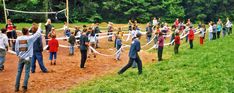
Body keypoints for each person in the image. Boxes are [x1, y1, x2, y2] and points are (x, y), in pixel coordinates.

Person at [14, 23, 42, 92]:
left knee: (19, 72)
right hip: (28, 58)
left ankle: (16, 87)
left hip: (21, 57)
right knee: (27, 72)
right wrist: (39, 26)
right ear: (27, 32)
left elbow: (16, 49)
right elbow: (38, 33)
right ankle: (24, 87)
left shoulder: (18, 38)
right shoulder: (30, 38)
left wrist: (18, 54)